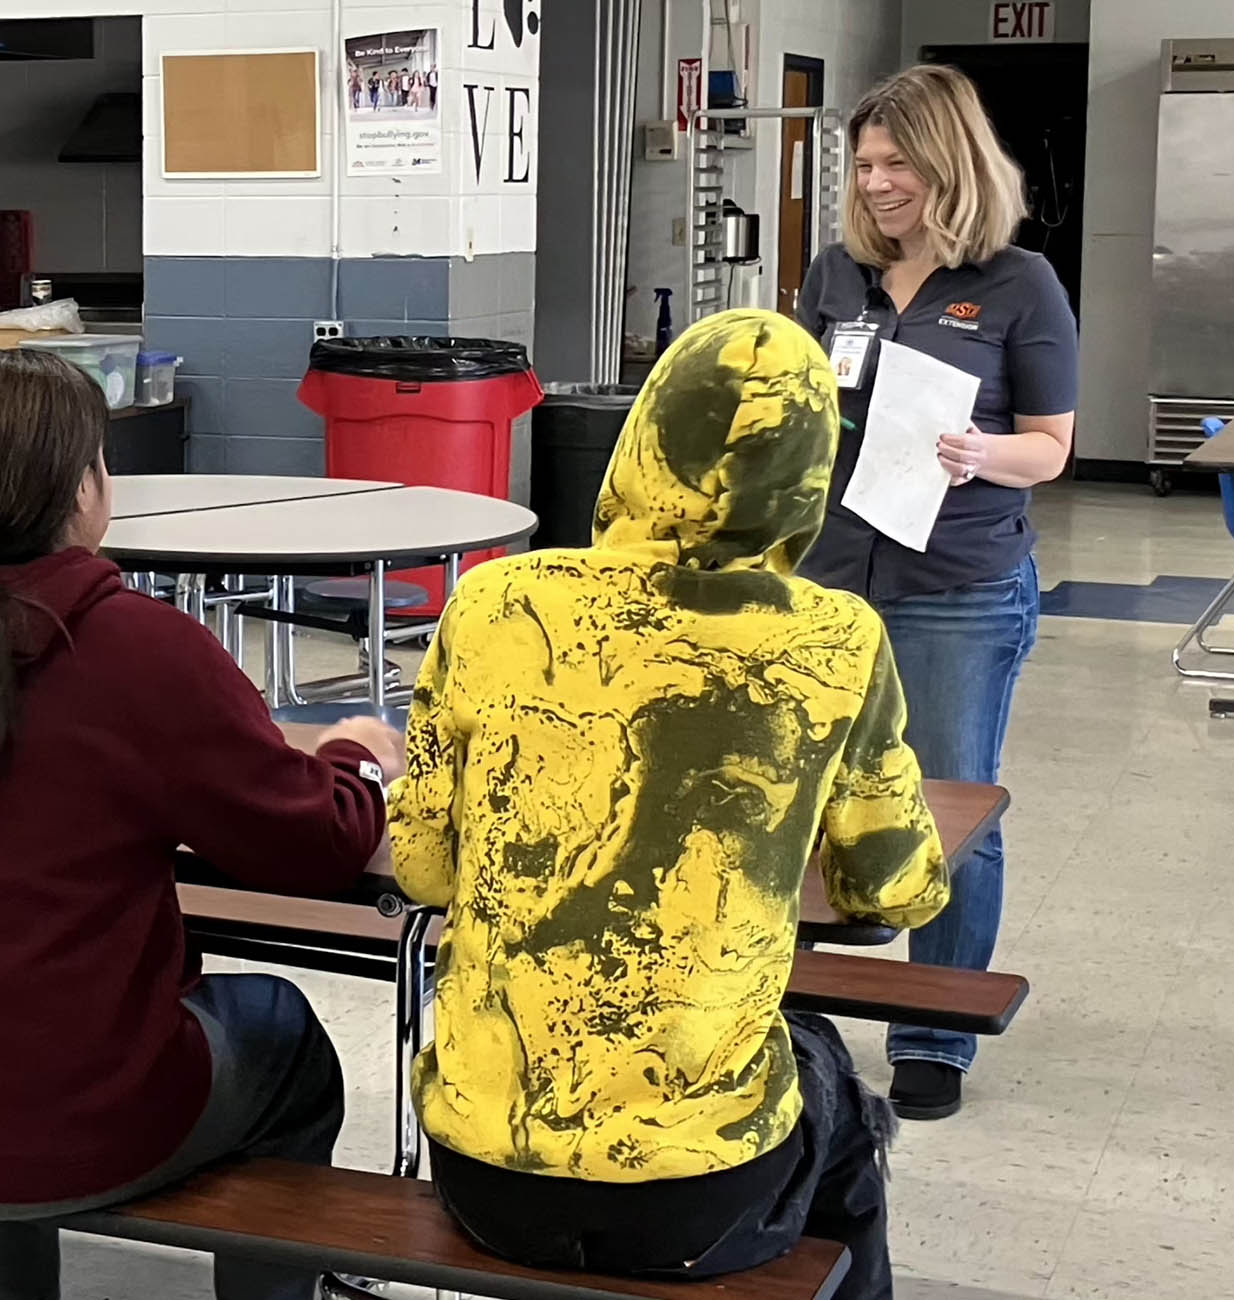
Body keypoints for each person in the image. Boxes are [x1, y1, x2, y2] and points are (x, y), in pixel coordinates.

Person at [0, 348, 398, 1300]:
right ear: (85, 485)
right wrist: (358, 757)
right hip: (70, 1116)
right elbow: (313, 843)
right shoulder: (135, 648)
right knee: (284, 1032)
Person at [391, 309, 951, 1300]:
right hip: (697, 1192)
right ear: (810, 474)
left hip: (486, 1169)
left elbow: (423, 866)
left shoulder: (494, 602)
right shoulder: (836, 639)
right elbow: (892, 889)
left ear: (641, 442)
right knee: (826, 1078)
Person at [794, 63, 1077, 1121]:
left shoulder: (1017, 283)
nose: (874, 184)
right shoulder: (835, 275)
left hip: (957, 582)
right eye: (862, 164)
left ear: (947, 162)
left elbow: (1050, 450)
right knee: (812, 792)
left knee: (951, 801)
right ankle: (797, 1003)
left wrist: (977, 452)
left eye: (895, 162)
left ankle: (935, 1030)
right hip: (829, 577)